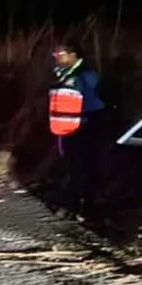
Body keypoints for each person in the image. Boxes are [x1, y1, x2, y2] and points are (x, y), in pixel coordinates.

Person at [49, 42, 106, 221]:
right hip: (68, 128)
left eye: (62, 54)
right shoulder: (64, 74)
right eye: (55, 55)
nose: (58, 58)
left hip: (85, 125)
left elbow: (94, 101)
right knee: (72, 166)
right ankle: (73, 203)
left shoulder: (87, 75)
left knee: (84, 166)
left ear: (74, 55)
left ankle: (84, 205)